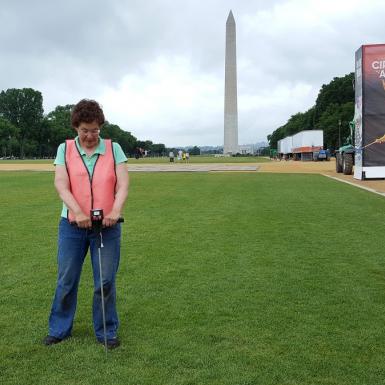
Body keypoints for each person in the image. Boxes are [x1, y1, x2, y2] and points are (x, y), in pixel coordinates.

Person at [43, 99, 129, 349]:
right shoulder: (64, 149)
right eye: (85, 130)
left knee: (105, 281)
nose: (90, 135)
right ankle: (59, 329)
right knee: (67, 279)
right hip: (72, 226)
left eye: (95, 130)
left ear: (100, 127)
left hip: (107, 226)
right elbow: (61, 184)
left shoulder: (114, 149)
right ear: (75, 128)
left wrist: (115, 210)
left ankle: (106, 331)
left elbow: (123, 184)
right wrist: (77, 212)